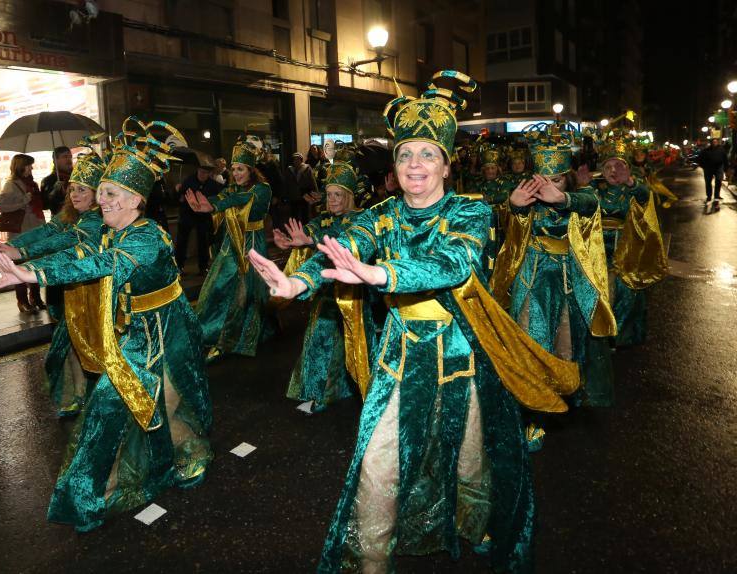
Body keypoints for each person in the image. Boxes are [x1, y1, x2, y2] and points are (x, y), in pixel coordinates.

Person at [248, 70, 579, 573]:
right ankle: (371, 562)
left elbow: (455, 263)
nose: (415, 164)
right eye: (405, 154)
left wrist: (382, 273)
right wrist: (300, 282)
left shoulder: (469, 211)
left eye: (427, 153)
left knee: (470, 461)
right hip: (400, 359)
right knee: (377, 465)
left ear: (446, 164)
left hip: (463, 357)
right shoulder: (381, 215)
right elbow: (345, 249)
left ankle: (475, 523)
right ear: (395, 167)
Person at [0, 117, 213, 532]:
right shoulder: (107, 233)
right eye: (99, 191)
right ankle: (90, 494)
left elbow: (99, 265)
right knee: (109, 406)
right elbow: (69, 246)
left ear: (134, 199)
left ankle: (186, 455)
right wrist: (18, 256)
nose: (99, 200)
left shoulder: (146, 236)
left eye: (109, 193)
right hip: (132, 331)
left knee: (174, 398)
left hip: (167, 328)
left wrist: (32, 275)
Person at [491, 133, 617, 407]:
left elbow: (589, 203)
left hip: (567, 279)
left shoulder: (580, 195)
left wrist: (562, 199)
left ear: (567, 178)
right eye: (541, 181)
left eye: (556, 180)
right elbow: (509, 228)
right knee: (531, 334)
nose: (546, 187)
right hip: (532, 277)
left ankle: (565, 391)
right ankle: (532, 399)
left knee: (567, 337)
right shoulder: (525, 196)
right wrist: (514, 207)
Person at [0, 150, 107, 416]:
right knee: (68, 344)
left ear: (97, 193)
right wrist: (10, 246)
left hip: (93, 293)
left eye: (83, 189)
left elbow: (66, 243)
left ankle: (99, 400)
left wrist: (22, 258)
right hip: (68, 290)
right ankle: (80, 395)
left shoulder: (97, 219)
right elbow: (48, 231)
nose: (75, 195)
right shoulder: (71, 213)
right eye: (73, 189)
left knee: (90, 346)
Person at [275, 161, 374, 412]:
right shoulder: (325, 219)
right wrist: (292, 242)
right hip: (327, 290)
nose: (332, 200)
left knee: (352, 342)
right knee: (319, 338)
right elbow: (312, 229)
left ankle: (342, 389)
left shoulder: (361, 219)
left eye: (338, 195)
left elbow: (343, 240)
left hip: (353, 295)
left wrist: (311, 239)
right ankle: (320, 391)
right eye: (329, 195)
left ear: (349, 196)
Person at [186, 140, 273, 358]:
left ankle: (241, 334)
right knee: (219, 285)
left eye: (240, 169)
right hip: (232, 242)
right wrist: (208, 203)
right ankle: (213, 328)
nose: (236, 173)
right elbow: (225, 196)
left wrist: (215, 206)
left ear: (251, 170)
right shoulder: (233, 187)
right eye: (233, 169)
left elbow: (242, 199)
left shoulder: (262, 189)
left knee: (248, 290)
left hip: (252, 243)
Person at [593, 135, 667, 347]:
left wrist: (631, 182)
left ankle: (620, 335)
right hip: (598, 247)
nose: (613, 171)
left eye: (619, 166)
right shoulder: (595, 188)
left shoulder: (634, 188)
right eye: (608, 167)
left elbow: (645, 198)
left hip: (626, 247)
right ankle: (600, 333)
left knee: (625, 291)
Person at [0, 153, 46, 313]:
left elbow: (40, 206)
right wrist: (24, 200)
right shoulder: (11, 185)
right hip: (20, 234)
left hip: (35, 231)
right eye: (29, 165)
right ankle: (22, 300)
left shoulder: (32, 184)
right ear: (20, 166)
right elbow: (0, 206)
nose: (31, 168)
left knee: (35, 265)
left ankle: (36, 297)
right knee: (19, 267)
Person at [175, 160, 222, 275]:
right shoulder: (188, 180)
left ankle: (203, 267)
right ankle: (179, 266)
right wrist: (177, 190)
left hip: (203, 217)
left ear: (209, 173)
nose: (202, 175)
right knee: (182, 242)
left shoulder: (213, 184)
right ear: (197, 170)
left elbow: (218, 197)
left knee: (203, 242)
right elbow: (179, 197)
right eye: (201, 172)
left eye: (205, 173)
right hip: (187, 215)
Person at [285, 152, 318, 223]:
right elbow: (286, 184)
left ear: (301, 160)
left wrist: (315, 194)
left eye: (298, 159)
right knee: (294, 215)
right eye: (294, 159)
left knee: (305, 214)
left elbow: (312, 182)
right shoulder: (289, 170)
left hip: (305, 195)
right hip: (293, 195)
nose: (296, 161)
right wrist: (286, 196)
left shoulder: (307, 168)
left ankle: (306, 229)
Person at [40, 146, 73, 215]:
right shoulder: (48, 180)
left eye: (70, 156)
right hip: (60, 220)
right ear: (55, 160)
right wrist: (53, 192)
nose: (69, 159)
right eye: (65, 157)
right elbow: (44, 205)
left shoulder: (77, 177)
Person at [697, 138, 728, 203]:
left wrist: (726, 168)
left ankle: (716, 196)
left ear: (718, 142)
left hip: (719, 168)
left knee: (718, 181)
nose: (715, 143)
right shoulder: (706, 150)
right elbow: (699, 159)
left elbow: (725, 159)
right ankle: (709, 196)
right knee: (708, 182)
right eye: (713, 142)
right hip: (708, 168)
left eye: (716, 142)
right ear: (711, 143)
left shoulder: (721, 149)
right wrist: (704, 166)